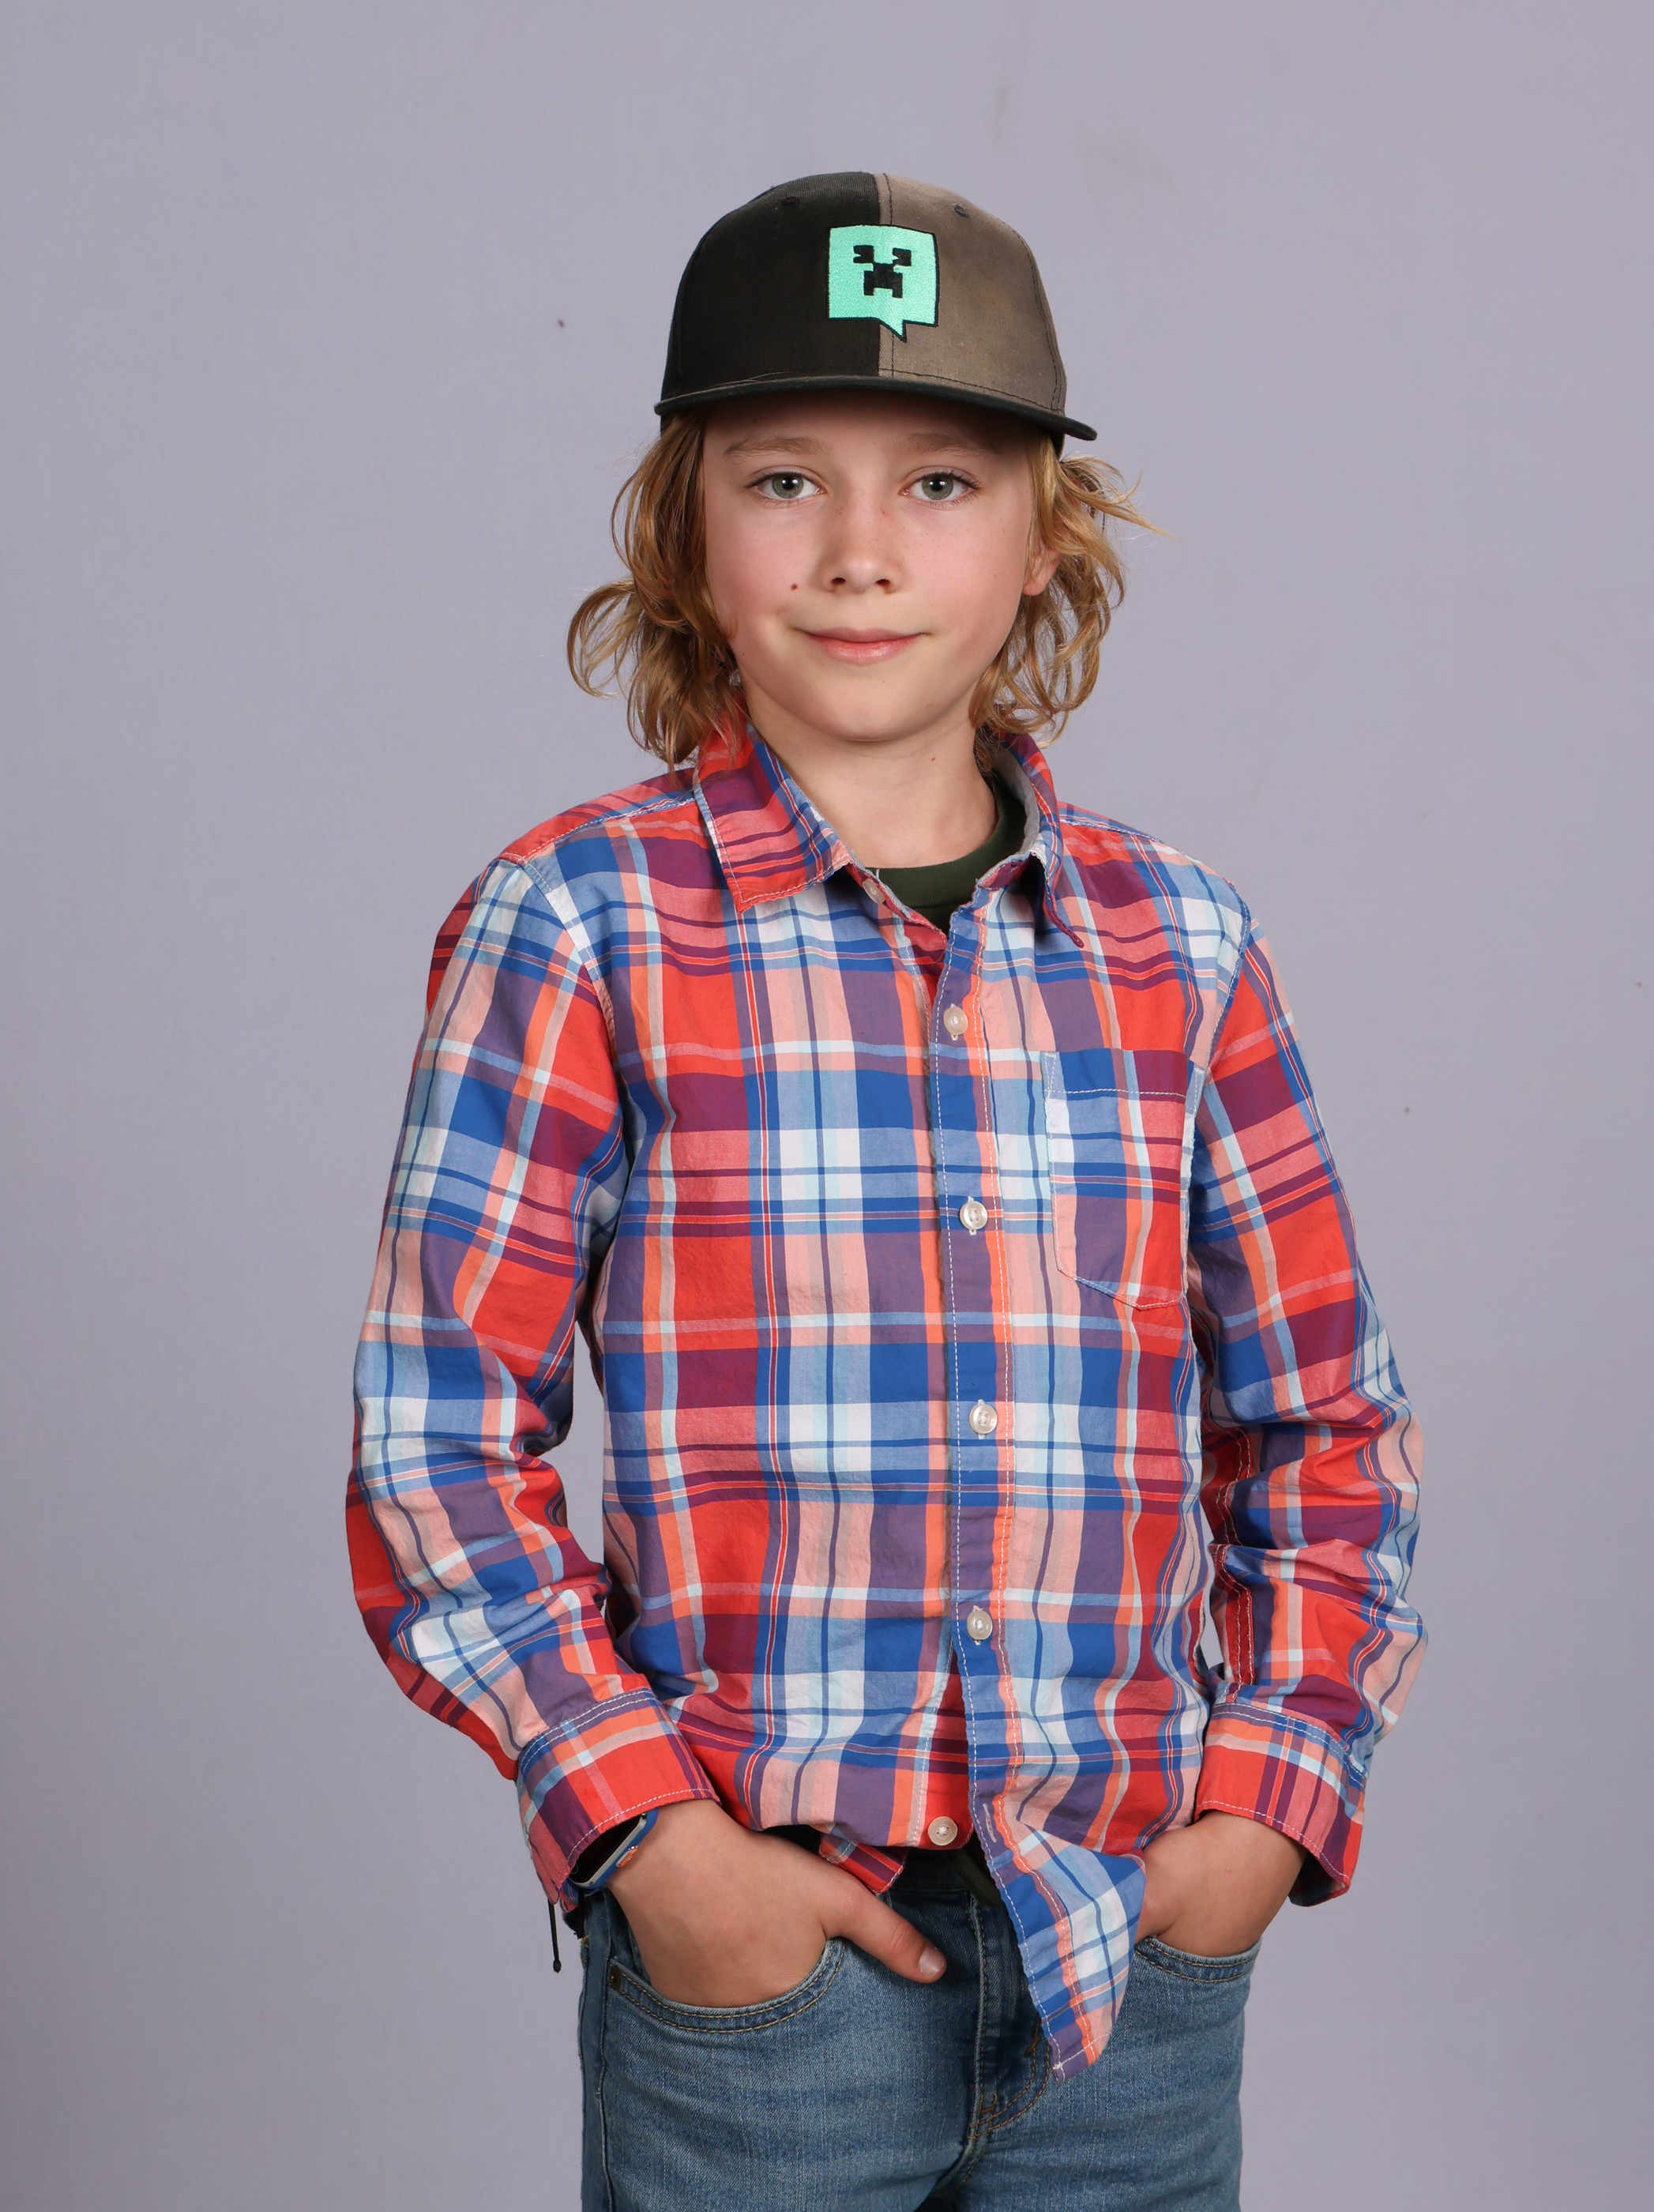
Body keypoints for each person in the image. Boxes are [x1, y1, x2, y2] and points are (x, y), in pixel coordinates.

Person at [348, 172, 1424, 2210]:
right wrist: (653, 1843)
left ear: (1042, 539)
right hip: (761, 1985)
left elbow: (1324, 1423)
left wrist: (1267, 1811)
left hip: (1129, 1958)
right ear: (684, 526)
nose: (861, 552)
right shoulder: (576, 924)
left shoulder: (1183, 947)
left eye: (940, 482)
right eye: (784, 480)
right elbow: (436, 1446)